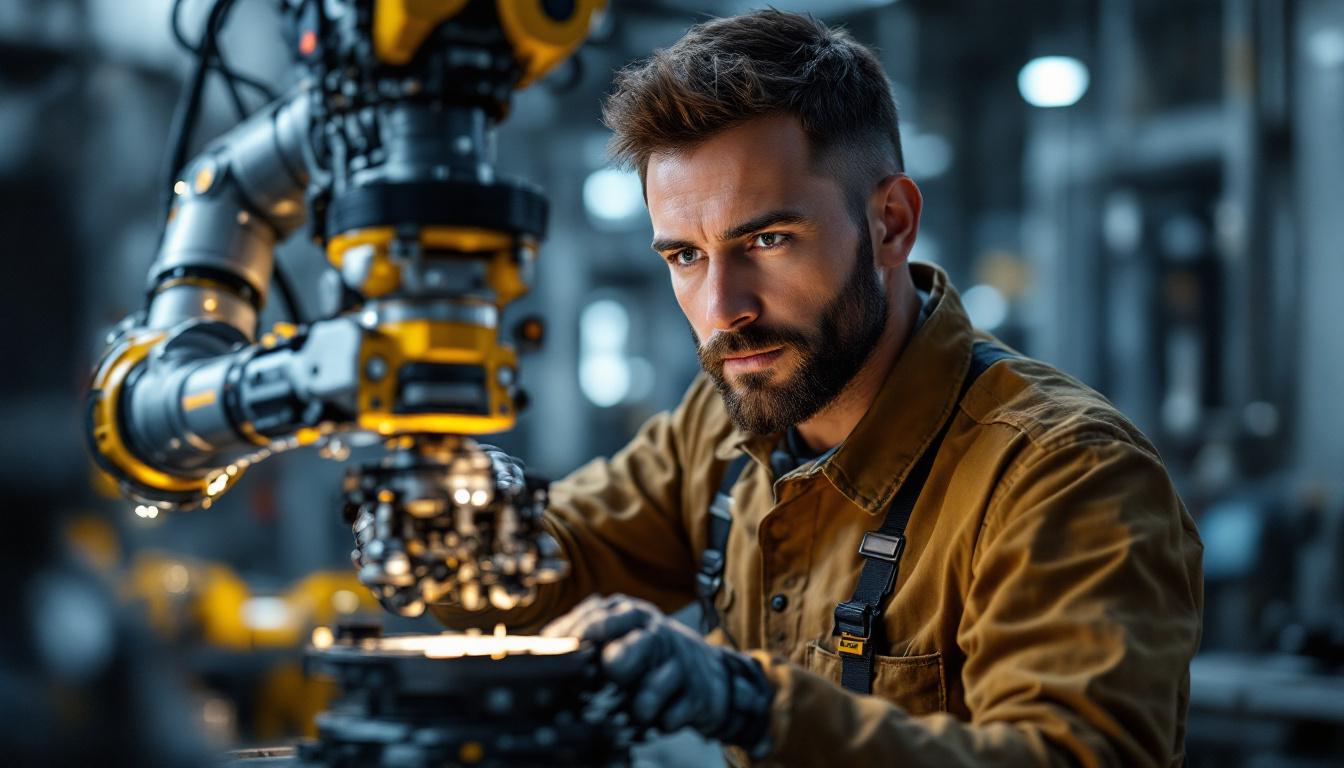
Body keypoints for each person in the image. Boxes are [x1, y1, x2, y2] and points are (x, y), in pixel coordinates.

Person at [429, 10, 1203, 766]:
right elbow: (550, 564)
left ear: (891, 223)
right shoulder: (721, 428)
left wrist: (750, 705)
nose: (722, 310)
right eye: (684, 257)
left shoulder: (1062, 477)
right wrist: (447, 525)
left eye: (766, 240)